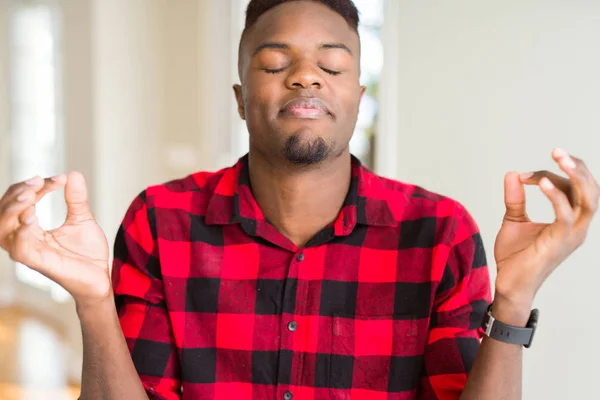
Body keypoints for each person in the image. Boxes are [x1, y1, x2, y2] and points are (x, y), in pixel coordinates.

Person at [1, 0, 598, 399]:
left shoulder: (438, 230)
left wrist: (514, 303)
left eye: (331, 65)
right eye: (276, 62)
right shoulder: (161, 220)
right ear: (240, 97)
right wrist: (92, 301)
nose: (306, 76)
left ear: (357, 96)